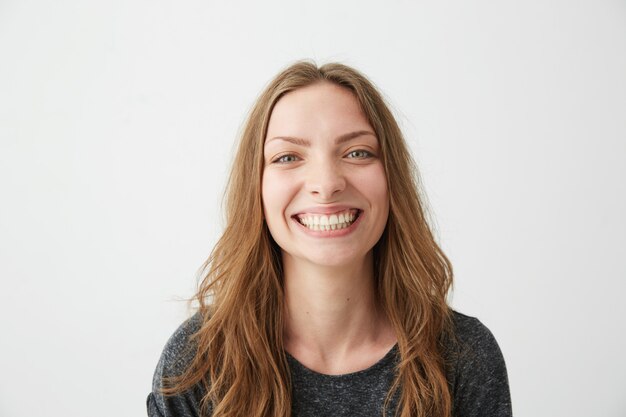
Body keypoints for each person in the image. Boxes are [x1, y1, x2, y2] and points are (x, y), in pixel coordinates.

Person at [146, 61, 513, 417]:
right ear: (255, 189)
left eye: (357, 152)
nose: (326, 183)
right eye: (288, 156)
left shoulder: (464, 357)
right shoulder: (197, 362)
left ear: (392, 180)